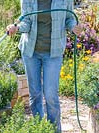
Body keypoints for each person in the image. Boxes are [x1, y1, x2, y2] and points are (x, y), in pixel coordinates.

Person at [6, 0, 82, 132]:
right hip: (31, 52)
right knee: (35, 93)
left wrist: (73, 26)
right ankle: (39, 128)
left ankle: (53, 130)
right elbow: (26, 21)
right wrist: (17, 28)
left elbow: (69, 18)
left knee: (51, 94)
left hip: (53, 53)